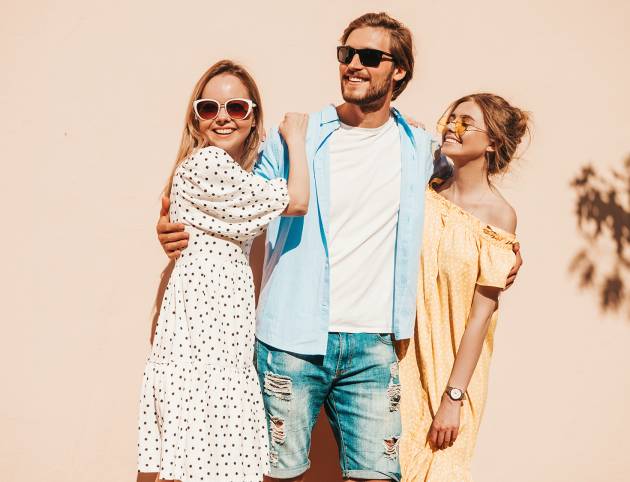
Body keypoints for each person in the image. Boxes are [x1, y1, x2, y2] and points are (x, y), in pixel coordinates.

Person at [157, 13, 523, 482]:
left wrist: (503, 247)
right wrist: (171, 227)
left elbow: (463, 209)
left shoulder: (420, 149)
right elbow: (238, 204)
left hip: (375, 347)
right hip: (291, 340)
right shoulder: (300, 139)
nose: (353, 64)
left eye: (369, 57)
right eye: (346, 54)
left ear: (400, 72)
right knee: (275, 474)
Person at [137, 59, 309, 482]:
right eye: (209, 108)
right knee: (210, 456)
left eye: (236, 108)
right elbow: (298, 201)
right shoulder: (207, 165)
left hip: (215, 331)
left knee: (208, 458)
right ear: (196, 121)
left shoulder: (230, 173)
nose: (223, 118)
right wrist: (297, 138)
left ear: (252, 118)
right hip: (204, 334)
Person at [397, 93, 530, 482]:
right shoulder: (425, 187)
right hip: (400, 359)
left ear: (492, 143)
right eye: (451, 117)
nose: (452, 127)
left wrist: (453, 398)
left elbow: (479, 318)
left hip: (454, 371)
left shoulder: (499, 215)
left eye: (466, 122)